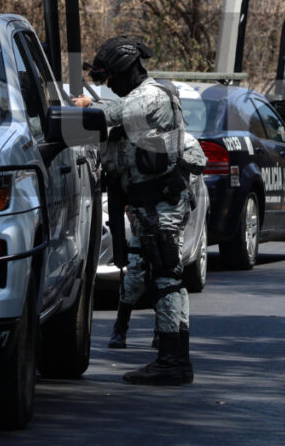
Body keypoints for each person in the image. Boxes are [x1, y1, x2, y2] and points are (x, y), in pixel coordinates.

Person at [73, 36, 195, 386]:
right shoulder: (143, 96)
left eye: (111, 77)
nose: (110, 85)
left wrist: (85, 106)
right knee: (167, 281)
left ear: (126, 69)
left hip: (161, 205)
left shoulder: (153, 95)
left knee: (167, 282)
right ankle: (175, 360)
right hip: (150, 203)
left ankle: (172, 361)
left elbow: (119, 113)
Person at [108, 130, 205, 366]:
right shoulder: (126, 140)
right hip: (142, 215)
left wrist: (171, 156)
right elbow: (113, 174)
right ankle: (122, 327)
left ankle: (169, 339)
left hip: (168, 214)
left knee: (169, 276)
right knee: (135, 274)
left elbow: (199, 162)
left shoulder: (180, 139)